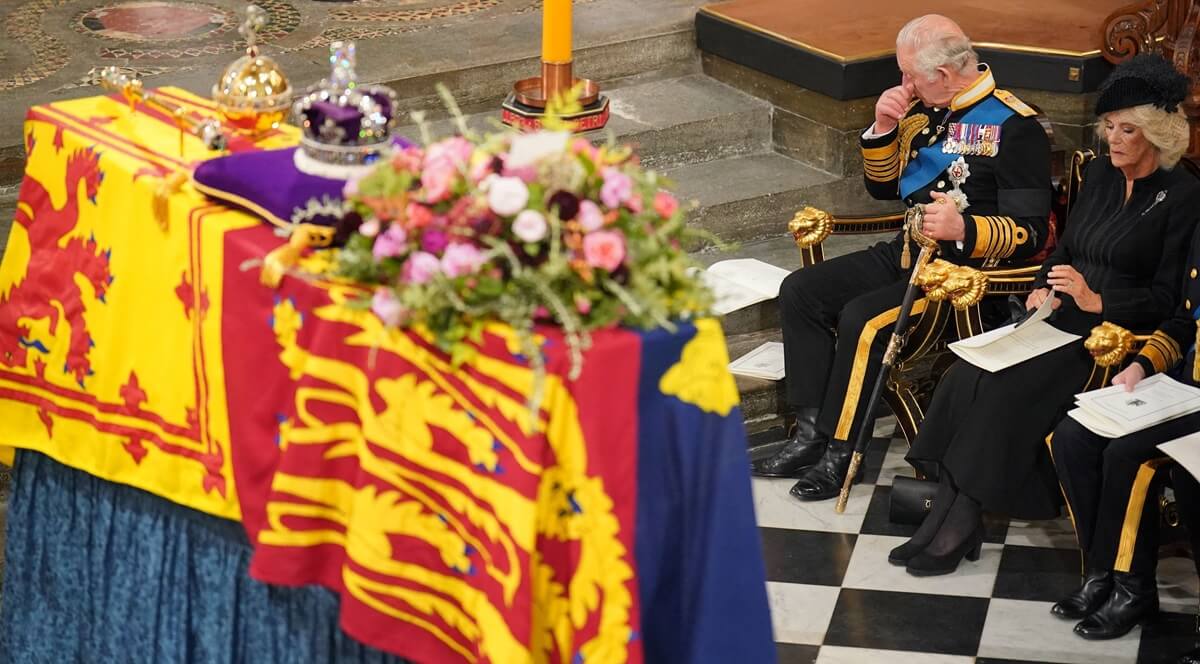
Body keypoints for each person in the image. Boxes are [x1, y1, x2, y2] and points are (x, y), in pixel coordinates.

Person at [890, 53, 1198, 577]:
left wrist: (1100, 301)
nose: (1114, 139)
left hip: (1117, 332)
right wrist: (1040, 287)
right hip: (1059, 314)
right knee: (967, 376)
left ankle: (964, 516)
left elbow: (1171, 299)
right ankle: (946, 505)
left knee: (1006, 392)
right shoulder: (1100, 174)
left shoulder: (1185, 196)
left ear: (1159, 134)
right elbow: (1064, 250)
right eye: (1109, 127)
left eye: (1128, 129)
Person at [753, 14, 1054, 503]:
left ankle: (841, 452)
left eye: (911, 75)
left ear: (946, 73)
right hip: (906, 253)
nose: (904, 84)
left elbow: (1030, 233)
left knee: (861, 319)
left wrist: (967, 229)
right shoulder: (923, 110)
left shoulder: (1013, 126)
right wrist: (884, 126)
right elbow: (884, 187)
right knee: (801, 291)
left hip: (958, 278)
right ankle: (808, 436)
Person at [1048, 220, 1200, 640]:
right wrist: (1141, 365)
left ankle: (1132, 589)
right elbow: (1183, 322)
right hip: (1185, 388)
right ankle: (1101, 572)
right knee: (1073, 436)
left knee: (1125, 454)